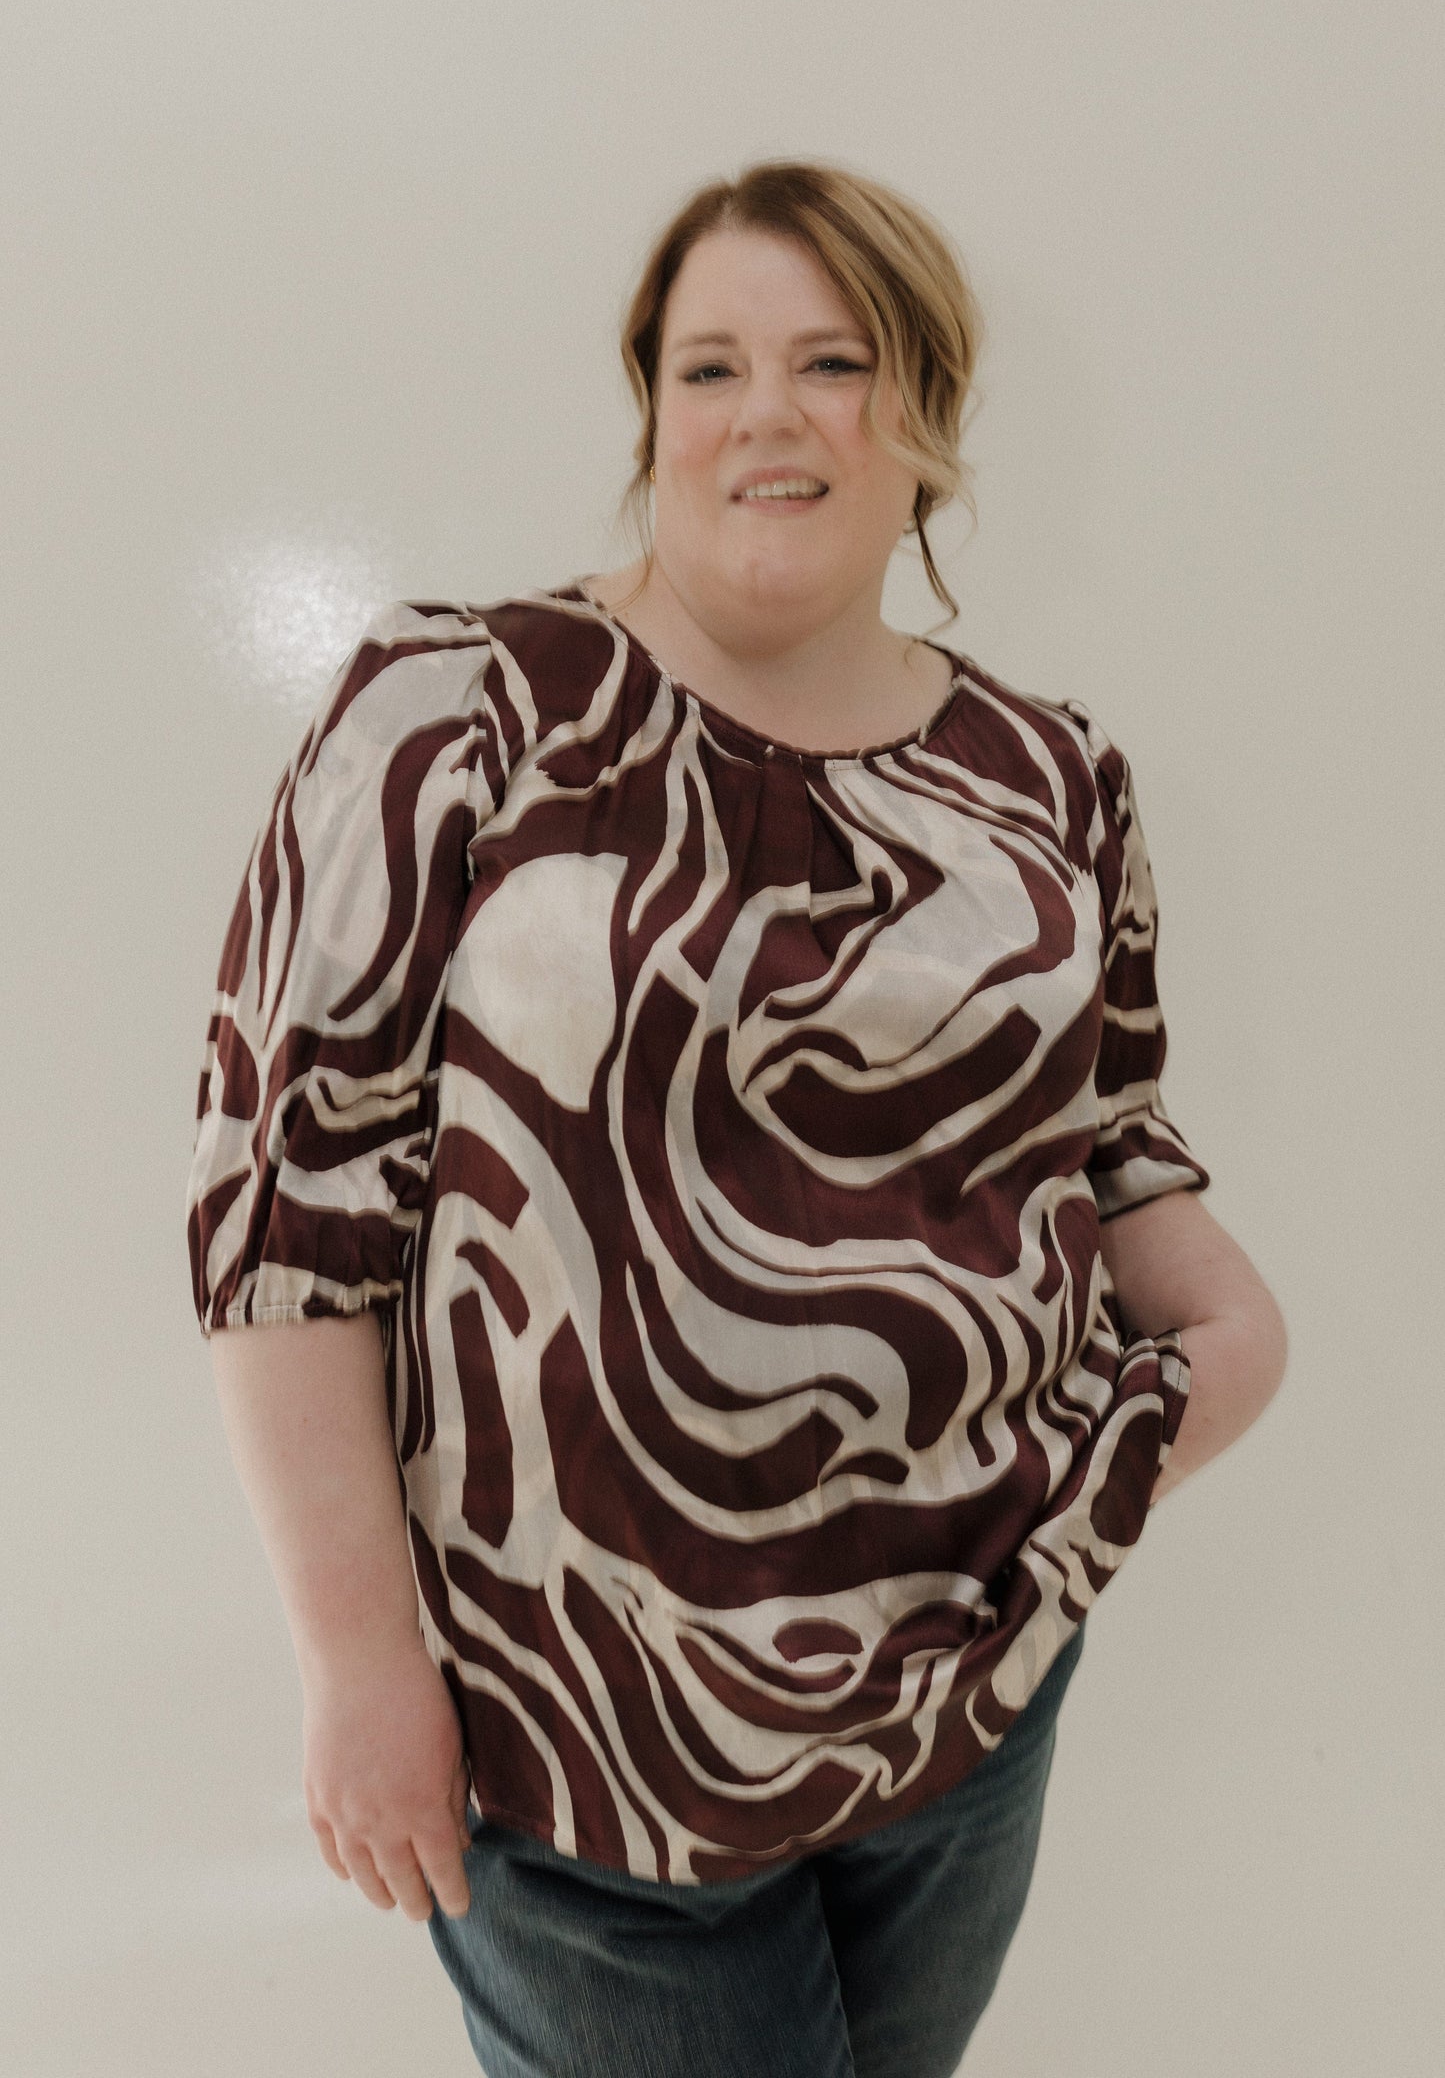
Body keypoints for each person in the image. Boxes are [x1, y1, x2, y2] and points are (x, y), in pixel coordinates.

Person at [187, 160, 1287, 2078]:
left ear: (926, 410)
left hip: (968, 1712)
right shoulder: (457, 712)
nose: (765, 414)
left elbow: (1106, 1136)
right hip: (575, 1734)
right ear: (650, 413)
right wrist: (360, 1665)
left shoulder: (1052, 777)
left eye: (831, 361)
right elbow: (293, 1213)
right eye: (708, 368)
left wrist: (1228, 1349)